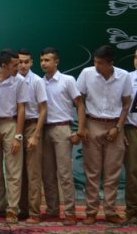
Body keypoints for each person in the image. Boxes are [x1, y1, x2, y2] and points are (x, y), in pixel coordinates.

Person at [77, 45, 132, 225]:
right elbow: (79, 101)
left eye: (100, 63)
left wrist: (118, 127)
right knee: (92, 172)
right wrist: (83, 126)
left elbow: (126, 104)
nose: (96, 66)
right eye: (95, 62)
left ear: (111, 63)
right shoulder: (87, 73)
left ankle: (110, 211)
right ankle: (91, 212)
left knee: (113, 173)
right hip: (92, 124)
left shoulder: (124, 76)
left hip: (115, 126)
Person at [40, 47, 86, 226]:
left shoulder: (68, 80)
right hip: (44, 130)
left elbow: (80, 106)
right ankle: (52, 210)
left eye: (48, 60)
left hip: (62, 129)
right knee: (48, 174)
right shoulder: (39, 82)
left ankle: (70, 212)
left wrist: (80, 131)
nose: (44, 63)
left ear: (56, 61)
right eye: (42, 60)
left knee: (65, 174)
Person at [0, 49, 28, 223]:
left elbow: (22, 108)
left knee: (13, 170)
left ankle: (12, 209)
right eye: (15, 65)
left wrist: (18, 135)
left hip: (11, 124)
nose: (19, 67)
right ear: (4, 65)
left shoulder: (20, 81)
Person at [16, 49, 47, 224]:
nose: (23, 65)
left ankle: (35, 212)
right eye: (20, 62)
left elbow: (44, 109)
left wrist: (36, 135)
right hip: (17, 126)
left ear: (32, 62)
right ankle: (23, 209)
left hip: (33, 125)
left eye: (26, 62)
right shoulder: (14, 80)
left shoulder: (37, 81)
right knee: (19, 172)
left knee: (33, 172)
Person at [125, 49, 137, 225]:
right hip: (132, 129)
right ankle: (132, 211)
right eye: (135, 57)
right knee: (133, 172)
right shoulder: (127, 78)